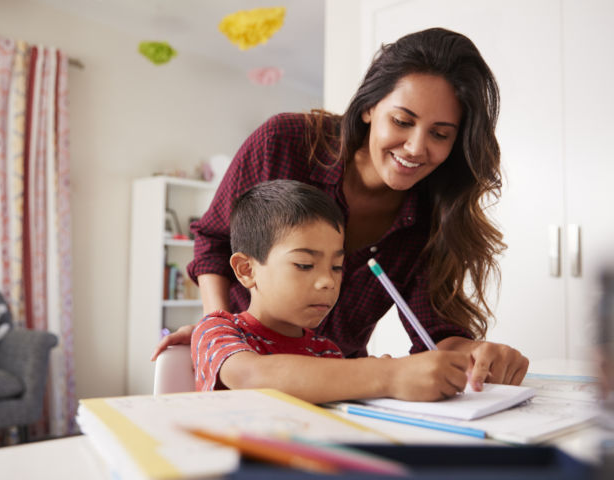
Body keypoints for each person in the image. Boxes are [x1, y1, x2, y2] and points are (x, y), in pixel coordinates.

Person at [151, 27, 529, 393]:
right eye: (402, 121)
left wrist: (474, 354)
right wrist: (217, 325)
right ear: (368, 107)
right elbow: (215, 242)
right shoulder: (284, 142)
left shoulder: (434, 214)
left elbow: (435, 334)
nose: (415, 147)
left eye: (440, 134)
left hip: (338, 390)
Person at [192, 179, 470, 403]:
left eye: (337, 267)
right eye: (304, 264)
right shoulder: (218, 330)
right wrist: (388, 375)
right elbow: (252, 376)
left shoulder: (325, 352)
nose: (328, 281)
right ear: (246, 270)